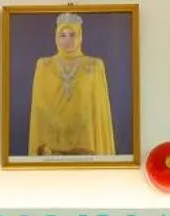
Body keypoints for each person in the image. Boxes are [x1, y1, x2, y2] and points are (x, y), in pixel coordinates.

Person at [26, 12, 116, 157]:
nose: (67, 40)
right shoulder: (44, 65)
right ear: (56, 37)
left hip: (86, 147)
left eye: (72, 35)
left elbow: (99, 110)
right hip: (52, 146)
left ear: (80, 36)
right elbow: (39, 110)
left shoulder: (94, 65)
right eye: (62, 35)